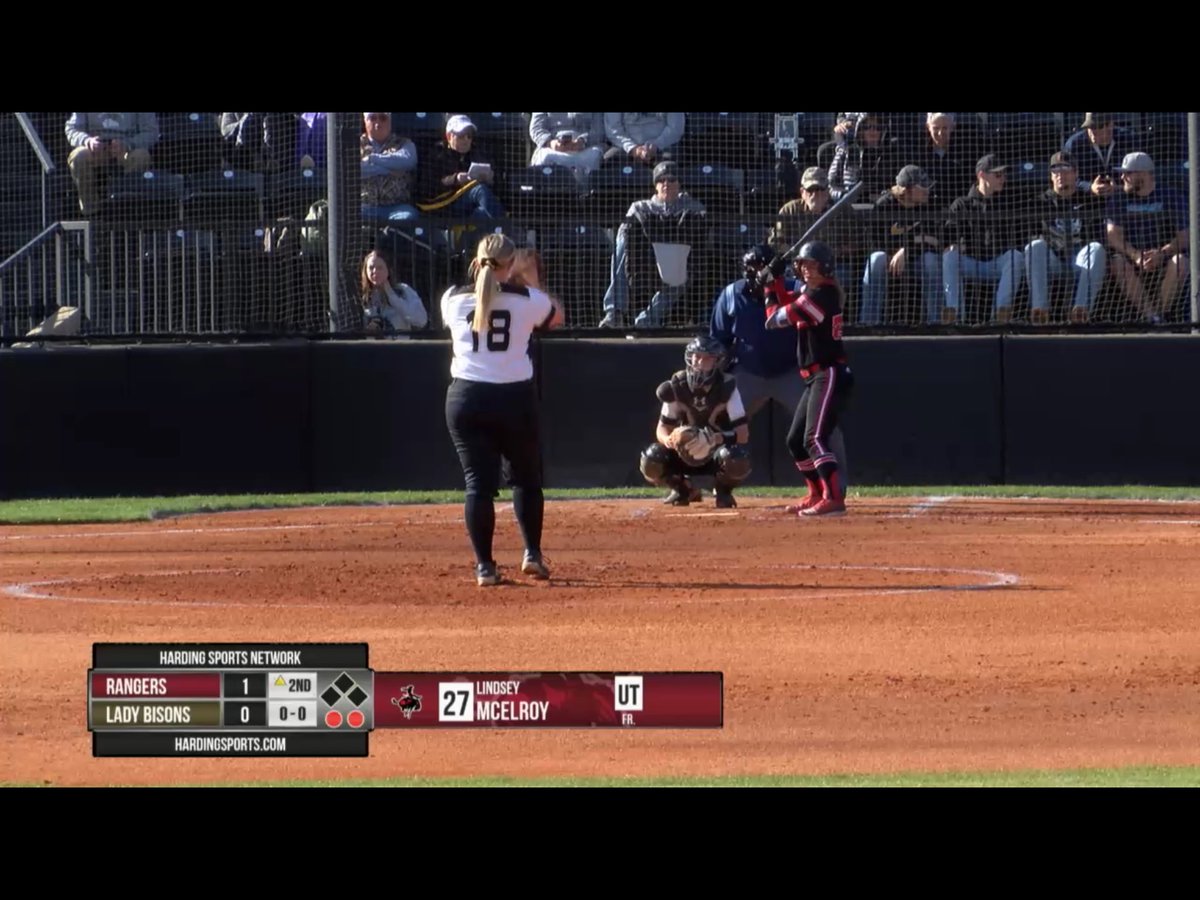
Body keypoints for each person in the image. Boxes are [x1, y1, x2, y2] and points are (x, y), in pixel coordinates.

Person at [441, 234, 563, 586]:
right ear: (509, 264)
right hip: (514, 399)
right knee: (526, 479)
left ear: (476, 261)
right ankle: (533, 555)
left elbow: (476, 303)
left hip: (466, 399)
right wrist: (526, 278)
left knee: (478, 485)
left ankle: (485, 567)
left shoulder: (452, 299)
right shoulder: (527, 298)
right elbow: (556, 318)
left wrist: (507, 277)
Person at [710, 244, 849, 486]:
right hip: (748, 371)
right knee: (721, 423)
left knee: (821, 429)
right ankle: (717, 485)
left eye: (762, 268)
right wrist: (720, 376)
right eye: (753, 269)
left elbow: (774, 318)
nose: (757, 272)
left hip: (791, 372)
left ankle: (838, 486)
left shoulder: (802, 289)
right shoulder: (732, 294)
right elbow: (718, 339)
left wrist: (774, 284)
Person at [762, 241, 853, 517]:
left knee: (814, 437)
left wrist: (769, 288)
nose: (806, 270)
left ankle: (834, 498)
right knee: (795, 441)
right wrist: (775, 280)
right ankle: (816, 493)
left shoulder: (822, 295)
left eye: (812, 265)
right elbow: (790, 298)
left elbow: (773, 319)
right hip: (815, 377)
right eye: (803, 265)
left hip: (829, 373)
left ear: (825, 267)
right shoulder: (812, 292)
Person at [639, 335, 752, 508]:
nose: (700, 362)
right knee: (651, 459)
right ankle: (683, 489)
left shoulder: (726, 386)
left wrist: (716, 438)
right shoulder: (676, 385)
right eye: (697, 356)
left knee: (736, 458)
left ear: (716, 362)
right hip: (683, 451)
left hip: (715, 453)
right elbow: (662, 428)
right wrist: (669, 440)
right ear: (689, 357)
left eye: (707, 358)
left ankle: (722, 490)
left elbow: (743, 434)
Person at [598, 161, 707, 328]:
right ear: (655, 185)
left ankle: (646, 320)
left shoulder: (693, 206)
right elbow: (624, 233)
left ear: (679, 184)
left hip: (677, 260)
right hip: (644, 261)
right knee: (621, 246)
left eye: (671, 180)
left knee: (688, 269)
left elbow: (701, 234)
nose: (666, 184)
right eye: (661, 180)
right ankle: (614, 313)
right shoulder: (640, 206)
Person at [1023, 151, 1107, 324]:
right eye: (1056, 171)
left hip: (1079, 261)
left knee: (1097, 248)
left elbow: (1099, 236)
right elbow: (1031, 235)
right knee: (1035, 246)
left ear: (1075, 173)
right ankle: (1040, 311)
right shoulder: (1038, 202)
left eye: (1066, 170)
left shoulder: (1090, 200)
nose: (1061, 175)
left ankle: (1080, 312)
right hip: (1054, 261)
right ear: (1051, 176)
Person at [1105, 151, 1189, 323]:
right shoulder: (1119, 198)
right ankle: (1150, 315)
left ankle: (1159, 316)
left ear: (1144, 174)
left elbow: (1185, 236)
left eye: (1127, 173)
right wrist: (1136, 255)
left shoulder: (1170, 196)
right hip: (1132, 257)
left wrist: (1162, 253)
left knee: (1181, 261)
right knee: (1117, 263)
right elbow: (1112, 234)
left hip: (1164, 256)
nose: (1122, 177)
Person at [942, 154, 1026, 324]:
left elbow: (1019, 236)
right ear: (981, 175)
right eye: (997, 174)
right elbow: (949, 234)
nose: (1002, 178)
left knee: (1015, 257)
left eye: (1003, 174)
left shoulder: (1008, 203)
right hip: (971, 262)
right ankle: (956, 316)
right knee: (949, 257)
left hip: (997, 263)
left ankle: (1000, 315)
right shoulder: (962, 204)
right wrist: (955, 244)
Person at [862, 165, 944, 324]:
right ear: (907, 190)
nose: (928, 190)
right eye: (922, 187)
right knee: (876, 259)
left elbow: (935, 241)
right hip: (889, 261)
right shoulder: (884, 205)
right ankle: (868, 323)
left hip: (916, 260)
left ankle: (936, 323)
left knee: (932, 261)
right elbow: (874, 242)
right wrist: (907, 246)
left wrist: (907, 251)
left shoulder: (931, 204)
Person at [64, 113, 160, 215]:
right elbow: (72, 129)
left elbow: (151, 132)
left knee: (141, 156)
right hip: (96, 150)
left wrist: (128, 144)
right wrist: (88, 141)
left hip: (127, 149)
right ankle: (91, 212)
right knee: (78, 156)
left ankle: (129, 209)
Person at [417, 115, 505, 222]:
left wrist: (492, 179)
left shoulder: (478, 153)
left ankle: (468, 238)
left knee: (481, 214)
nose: (466, 140)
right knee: (480, 190)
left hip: (468, 206)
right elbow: (425, 187)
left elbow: (499, 185)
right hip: (444, 205)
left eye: (469, 136)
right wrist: (455, 179)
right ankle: (505, 229)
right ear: (449, 136)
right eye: (461, 135)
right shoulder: (436, 154)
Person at [360, 112, 419, 223]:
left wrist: (372, 159)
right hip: (364, 206)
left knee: (408, 216)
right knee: (347, 214)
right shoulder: (355, 144)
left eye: (383, 118)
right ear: (365, 121)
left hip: (396, 208)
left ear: (390, 121)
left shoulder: (404, 143)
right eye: (372, 118)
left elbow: (408, 161)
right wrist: (389, 169)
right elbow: (355, 169)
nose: (377, 123)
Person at [1063, 113, 1137, 199]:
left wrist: (1120, 187)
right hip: (1087, 201)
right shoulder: (1074, 144)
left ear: (1110, 125)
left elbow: (1141, 175)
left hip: (1124, 198)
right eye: (1089, 127)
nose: (1092, 132)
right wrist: (1090, 187)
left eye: (1098, 127)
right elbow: (1066, 179)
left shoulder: (1129, 139)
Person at [360, 250, 428, 335]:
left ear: (388, 269)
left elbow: (421, 320)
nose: (375, 271)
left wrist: (392, 297)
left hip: (399, 345)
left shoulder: (403, 290)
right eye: (371, 267)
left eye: (380, 268)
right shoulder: (365, 297)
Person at [529, 113, 606, 181]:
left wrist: (582, 141)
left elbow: (599, 129)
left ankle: (587, 193)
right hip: (552, 146)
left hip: (586, 146)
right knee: (544, 156)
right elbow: (536, 128)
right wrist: (550, 143)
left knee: (594, 156)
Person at [603, 113, 685, 166]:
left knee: (669, 162)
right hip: (627, 147)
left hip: (663, 146)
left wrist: (656, 145)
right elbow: (613, 129)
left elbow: (676, 128)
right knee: (609, 159)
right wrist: (632, 148)